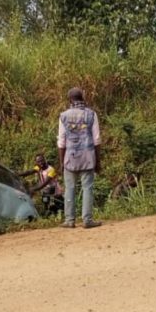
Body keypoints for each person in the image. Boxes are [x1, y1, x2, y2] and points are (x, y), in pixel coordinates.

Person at [57, 87, 102, 229]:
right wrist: (98, 161)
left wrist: (61, 162)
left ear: (70, 99)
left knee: (69, 188)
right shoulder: (91, 115)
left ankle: (70, 220)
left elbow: (61, 142)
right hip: (88, 157)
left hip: (70, 158)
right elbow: (97, 140)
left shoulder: (64, 116)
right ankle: (87, 220)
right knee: (87, 188)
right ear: (82, 97)